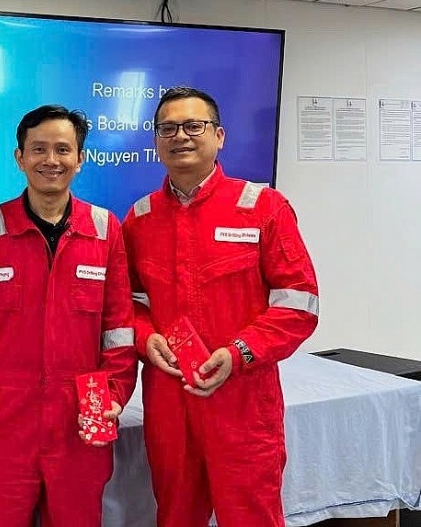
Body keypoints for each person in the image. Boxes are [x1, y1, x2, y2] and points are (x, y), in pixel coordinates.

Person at [122, 86, 319, 527]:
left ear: (219, 136)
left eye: (194, 126)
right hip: (170, 401)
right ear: (156, 141)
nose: (180, 136)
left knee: (251, 517)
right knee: (175, 516)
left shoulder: (263, 208)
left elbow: (299, 304)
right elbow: (129, 303)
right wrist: (145, 337)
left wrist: (240, 353)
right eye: (168, 128)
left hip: (242, 400)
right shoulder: (140, 219)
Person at [0, 104, 137, 527]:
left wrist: (113, 397)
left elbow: (119, 331)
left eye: (63, 150)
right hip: (1, 427)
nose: (51, 160)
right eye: (39, 149)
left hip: (79, 425)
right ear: (20, 157)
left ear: (81, 159)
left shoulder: (105, 230)